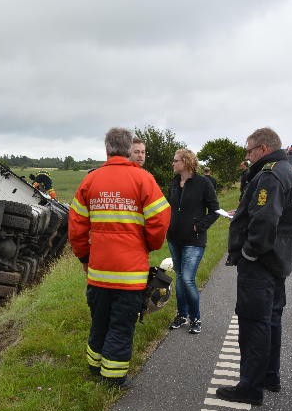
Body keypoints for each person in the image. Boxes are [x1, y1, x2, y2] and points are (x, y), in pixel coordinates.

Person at [68, 127, 170, 387]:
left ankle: (94, 367)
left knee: (99, 321)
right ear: (128, 150)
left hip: (98, 271)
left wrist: (84, 258)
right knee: (122, 326)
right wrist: (147, 245)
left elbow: (76, 227)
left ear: (106, 149)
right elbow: (160, 221)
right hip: (130, 273)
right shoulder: (144, 179)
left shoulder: (91, 180)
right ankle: (112, 380)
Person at [216, 127, 292, 406]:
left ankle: (250, 387)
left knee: (254, 323)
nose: (248, 156)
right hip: (279, 260)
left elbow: (264, 220)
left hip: (262, 263)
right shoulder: (291, 172)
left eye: (250, 151)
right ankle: (269, 376)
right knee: (271, 319)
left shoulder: (270, 175)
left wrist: (249, 252)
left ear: (263, 149)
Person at [167, 149, 220, 334]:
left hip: (193, 240)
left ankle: (195, 317)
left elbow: (215, 211)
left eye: (175, 160)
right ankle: (182, 315)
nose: (173, 163)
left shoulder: (203, 183)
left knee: (188, 279)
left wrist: (200, 226)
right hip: (174, 238)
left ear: (186, 162)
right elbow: (169, 207)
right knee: (180, 278)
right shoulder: (174, 183)